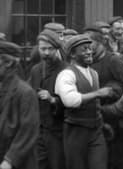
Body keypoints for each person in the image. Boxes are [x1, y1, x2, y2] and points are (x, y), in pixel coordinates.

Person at [55, 34, 112, 169]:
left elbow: (95, 105)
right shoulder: (66, 74)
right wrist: (97, 93)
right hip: (76, 130)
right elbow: (70, 101)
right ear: (73, 55)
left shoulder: (93, 73)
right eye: (84, 49)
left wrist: (102, 123)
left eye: (90, 48)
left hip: (96, 129)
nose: (89, 52)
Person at [90, 29, 123, 169]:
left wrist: (113, 93)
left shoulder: (113, 60)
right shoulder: (87, 62)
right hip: (95, 118)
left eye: (91, 43)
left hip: (115, 120)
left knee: (117, 160)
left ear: (101, 43)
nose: (88, 47)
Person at [28, 29, 66, 169]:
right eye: (43, 49)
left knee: (57, 165)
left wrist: (53, 100)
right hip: (38, 130)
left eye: (50, 49)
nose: (46, 53)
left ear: (57, 49)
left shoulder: (66, 70)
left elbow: (74, 103)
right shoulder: (36, 70)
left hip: (58, 130)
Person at [0, 40, 40, 169]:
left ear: (8, 62)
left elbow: (28, 131)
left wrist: (9, 160)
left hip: (18, 162)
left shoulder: (25, 92)